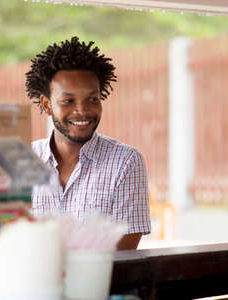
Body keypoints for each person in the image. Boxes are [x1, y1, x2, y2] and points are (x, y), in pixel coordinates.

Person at [25, 36, 151, 250]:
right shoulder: (24, 160)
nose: (82, 110)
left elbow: (123, 257)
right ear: (47, 105)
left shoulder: (125, 162)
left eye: (93, 99)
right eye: (68, 101)